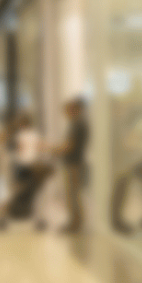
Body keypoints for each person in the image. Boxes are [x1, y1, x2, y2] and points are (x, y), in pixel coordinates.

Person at [55, 98, 89, 234]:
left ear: (73, 110)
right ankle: (76, 222)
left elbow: (69, 147)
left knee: (72, 195)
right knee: (73, 195)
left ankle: (75, 224)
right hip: (74, 163)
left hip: (73, 164)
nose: (65, 114)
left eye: (67, 110)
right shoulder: (79, 123)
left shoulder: (77, 125)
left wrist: (52, 149)